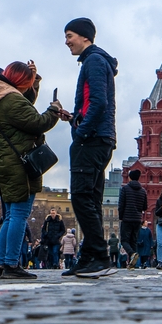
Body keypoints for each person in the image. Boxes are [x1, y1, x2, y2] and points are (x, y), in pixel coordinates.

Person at [0, 62, 61, 280]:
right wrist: (53, 110)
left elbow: (22, 108)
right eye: (26, 83)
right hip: (20, 164)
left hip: (6, 163)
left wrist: (33, 80)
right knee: (18, 215)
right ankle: (11, 264)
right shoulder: (11, 99)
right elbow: (37, 121)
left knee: (10, 216)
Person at [61, 18, 118, 278]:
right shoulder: (95, 61)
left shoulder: (93, 61)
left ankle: (100, 256)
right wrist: (73, 117)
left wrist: (80, 132)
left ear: (85, 37)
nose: (67, 41)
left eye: (69, 35)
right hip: (99, 137)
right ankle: (89, 258)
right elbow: (91, 105)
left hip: (92, 139)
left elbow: (99, 102)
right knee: (91, 199)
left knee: (81, 197)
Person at [118, 170, 148, 269]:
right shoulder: (143, 191)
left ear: (129, 178)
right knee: (133, 241)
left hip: (127, 218)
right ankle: (132, 264)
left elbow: (121, 204)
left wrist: (121, 217)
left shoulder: (125, 189)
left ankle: (131, 254)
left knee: (124, 241)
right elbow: (145, 207)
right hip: (137, 219)